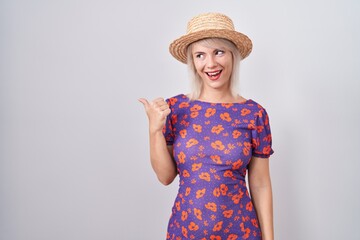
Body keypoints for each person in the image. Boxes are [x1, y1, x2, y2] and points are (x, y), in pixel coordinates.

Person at [139, 12, 274, 240]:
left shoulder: (254, 114)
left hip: (241, 232)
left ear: (233, 55)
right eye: (200, 55)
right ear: (193, 62)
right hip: (185, 232)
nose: (210, 63)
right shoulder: (176, 109)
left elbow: (260, 185)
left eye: (218, 52)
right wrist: (154, 130)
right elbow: (165, 177)